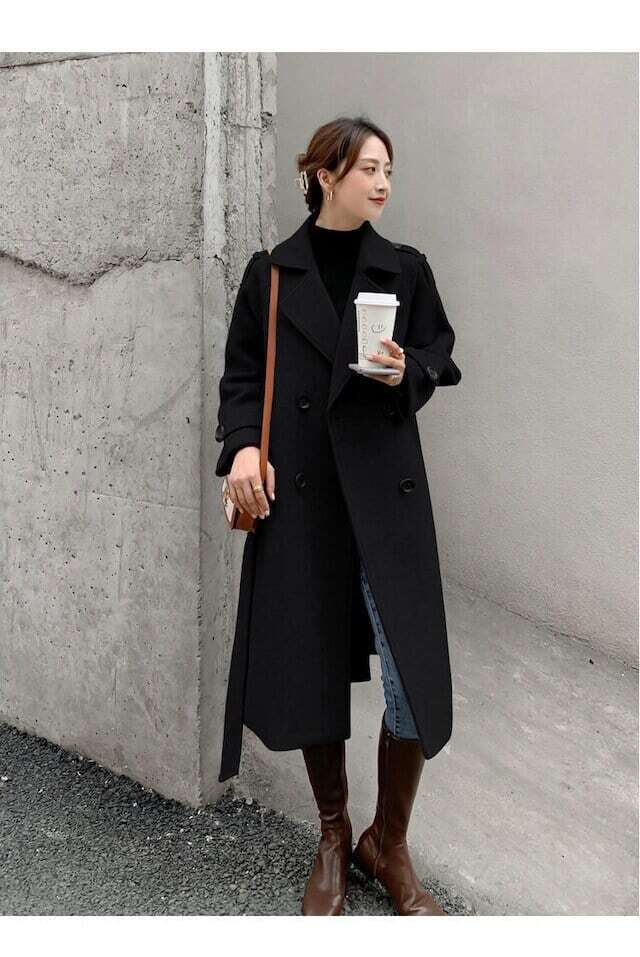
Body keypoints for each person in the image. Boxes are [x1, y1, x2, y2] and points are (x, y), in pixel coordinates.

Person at [214, 116, 462, 916]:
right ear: (326, 175)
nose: (383, 183)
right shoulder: (272, 273)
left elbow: (440, 352)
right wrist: (242, 449)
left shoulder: (405, 268)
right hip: (307, 500)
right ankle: (333, 831)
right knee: (313, 667)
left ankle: (388, 842)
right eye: (369, 169)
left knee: (412, 678)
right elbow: (242, 375)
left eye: (389, 169)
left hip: (387, 500)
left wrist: (406, 371)